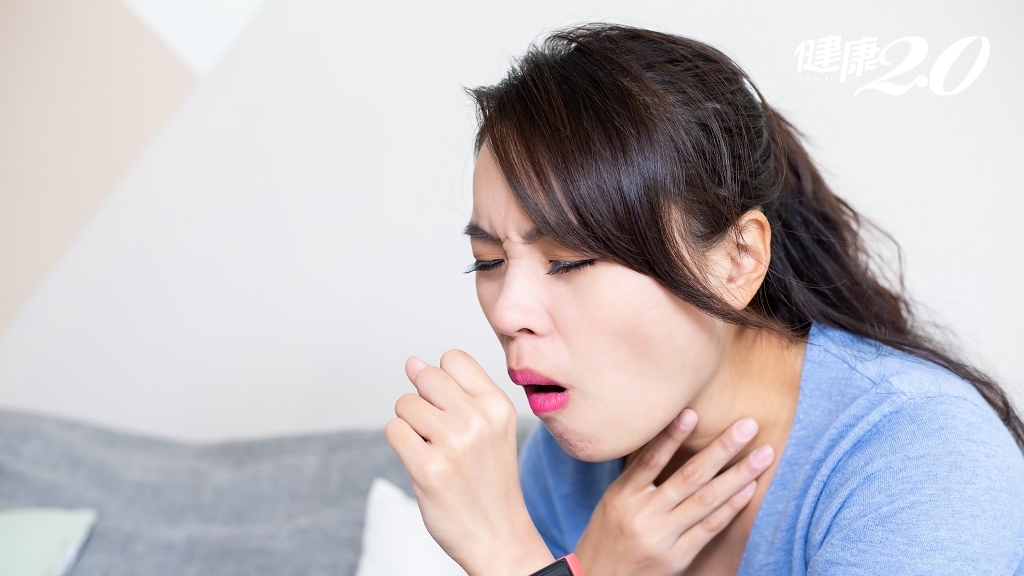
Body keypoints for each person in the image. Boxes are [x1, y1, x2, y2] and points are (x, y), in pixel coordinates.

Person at [384, 23, 1024, 576]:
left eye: (569, 259)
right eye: (488, 261)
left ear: (738, 260)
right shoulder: (563, 466)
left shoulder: (921, 459)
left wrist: (511, 556)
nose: (506, 312)